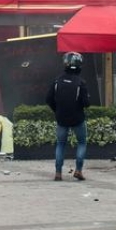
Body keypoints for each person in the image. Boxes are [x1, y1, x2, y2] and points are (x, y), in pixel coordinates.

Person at [46, 51, 91, 181]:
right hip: (78, 118)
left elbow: (48, 99)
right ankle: (78, 170)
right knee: (81, 142)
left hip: (61, 118)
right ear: (79, 65)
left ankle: (58, 173)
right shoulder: (81, 82)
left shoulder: (57, 81)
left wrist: (57, 110)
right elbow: (86, 103)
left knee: (61, 144)